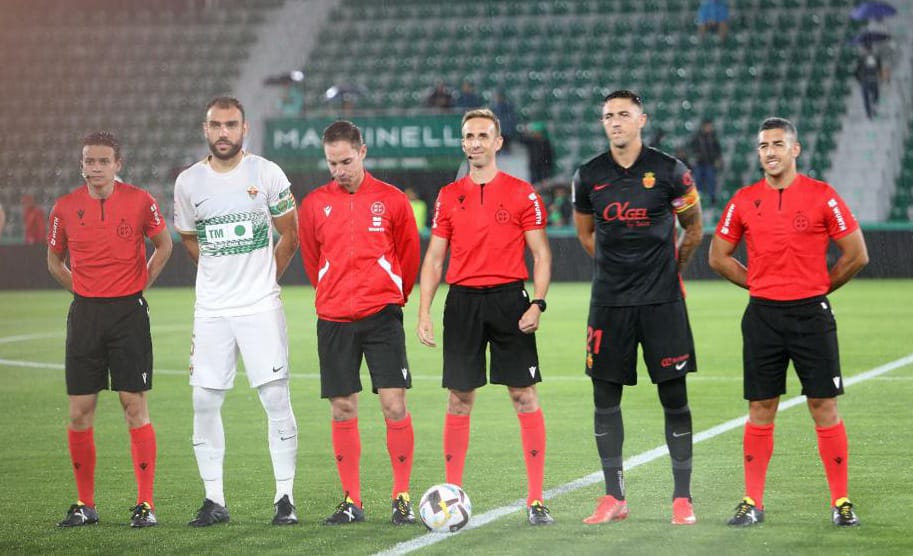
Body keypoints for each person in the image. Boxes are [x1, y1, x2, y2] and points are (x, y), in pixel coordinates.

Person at [709, 117, 869, 528]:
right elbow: (718, 256)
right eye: (763, 145)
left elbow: (856, 254)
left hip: (810, 314)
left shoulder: (822, 196)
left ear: (794, 149)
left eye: (778, 144)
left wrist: (819, 288)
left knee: (823, 404)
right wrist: (760, 284)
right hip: (763, 316)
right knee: (761, 406)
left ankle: (841, 501)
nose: (770, 152)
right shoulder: (744, 199)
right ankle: (751, 501)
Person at [416, 108, 555, 526]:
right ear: (463, 143)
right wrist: (423, 310)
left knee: (524, 396)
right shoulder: (448, 195)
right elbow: (435, 260)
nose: (475, 142)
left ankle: (536, 500)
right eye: (468, 136)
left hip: (511, 302)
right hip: (462, 304)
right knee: (459, 399)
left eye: (482, 136)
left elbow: (542, 254)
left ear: (497, 142)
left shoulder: (520, 192)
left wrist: (538, 303)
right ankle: (452, 496)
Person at [571, 90, 703, 526]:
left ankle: (682, 498)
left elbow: (694, 228)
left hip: (663, 302)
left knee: (674, 396)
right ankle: (615, 497)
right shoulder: (588, 176)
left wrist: (669, 270)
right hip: (610, 304)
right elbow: (587, 235)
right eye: (608, 115)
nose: (615, 122)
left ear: (641, 119)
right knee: (605, 398)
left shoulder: (671, 171)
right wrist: (618, 271)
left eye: (623, 114)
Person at [173, 96, 300, 527]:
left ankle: (285, 497)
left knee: (275, 397)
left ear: (245, 129)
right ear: (205, 129)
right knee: (203, 400)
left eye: (230, 125)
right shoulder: (188, 182)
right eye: (215, 125)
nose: (222, 132)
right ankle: (214, 500)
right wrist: (218, 273)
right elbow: (191, 239)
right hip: (211, 310)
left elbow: (290, 234)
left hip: (260, 305)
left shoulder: (266, 173)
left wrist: (267, 277)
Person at [47, 131, 173, 528]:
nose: (95, 168)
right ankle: (85, 503)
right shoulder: (65, 208)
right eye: (89, 161)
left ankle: (145, 504)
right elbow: (54, 259)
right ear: (81, 164)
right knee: (80, 410)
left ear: (118, 165)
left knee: (133, 406)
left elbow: (164, 245)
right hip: (85, 315)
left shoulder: (140, 201)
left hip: (128, 314)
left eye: (103, 161)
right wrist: (82, 290)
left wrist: (139, 286)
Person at [298, 120, 421, 526]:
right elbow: (313, 261)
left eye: (346, 161)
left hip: (382, 314)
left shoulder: (392, 200)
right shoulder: (315, 203)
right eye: (332, 163)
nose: (339, 170)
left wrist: (391, 295)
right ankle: (351, 499)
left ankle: (401, 495)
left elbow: (408, 253)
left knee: (393, 403)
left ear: (363, 152)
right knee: (342, 407)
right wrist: (331, 292)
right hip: (333, 318)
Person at [689, 118, 723, 209]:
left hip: (710, 163)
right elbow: (692, 148)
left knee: (711, 180)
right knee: (697, 180)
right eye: (708, 126)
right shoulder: (698, 137)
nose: (709, 128)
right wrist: (696, 155)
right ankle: (697, 199)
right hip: (699, 163)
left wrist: (717, 159)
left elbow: (717, 149)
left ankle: (712, 199)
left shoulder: (713, 137)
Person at [854, 44, 884, 119]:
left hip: (867, 80)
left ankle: (870, 113)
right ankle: (872, 111)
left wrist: (859, 80)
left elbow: (856, 71)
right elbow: (879, 69)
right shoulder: (876, 57)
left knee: (868, 97)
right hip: (871, 79)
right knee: (874, 96)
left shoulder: (863, 58)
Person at [522, 121, 555, 186]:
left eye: (537, 132)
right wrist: (525, 132)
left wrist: (547, 174)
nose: (535, 134)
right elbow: (522, 140)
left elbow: (549, 158)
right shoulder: (532, 141)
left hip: (544, 169)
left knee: (543, 188)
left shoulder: (546, 143)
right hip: (534, 167)